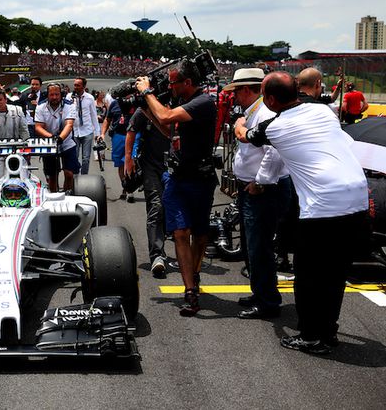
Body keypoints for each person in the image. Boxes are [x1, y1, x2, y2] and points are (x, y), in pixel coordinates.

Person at [235, 71, 369, 354]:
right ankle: (328, 330)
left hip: (324, 205)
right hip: (357, 197)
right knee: (335, 273)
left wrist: (239, 124)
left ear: (270, 99)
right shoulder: (323, 111)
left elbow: (246, 137)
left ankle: (310, 336)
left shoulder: (275, 128)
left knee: (308, 275)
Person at [137, 60, 218, 317]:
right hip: (178, 178)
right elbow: (167, 127)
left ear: (188, 83)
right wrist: (146, 109)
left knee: (200, 234)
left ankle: (193, 274)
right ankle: (190, 289)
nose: (170, 86)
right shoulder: (186, 104)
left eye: (173, 82)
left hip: (201, 179)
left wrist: (147, 93)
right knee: (180, 232)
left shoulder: (203, 103)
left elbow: (166, 116)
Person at [223, 68, 291, 319]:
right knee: (252, 246)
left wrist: (261, 182)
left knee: (258, 246)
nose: (234, 97)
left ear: (245, 90)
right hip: (252, 186)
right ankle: (260, 292)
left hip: (262, 189)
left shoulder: (264, 113)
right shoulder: (255, 111)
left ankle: (268, 301)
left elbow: (273, 152)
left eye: (236, 92)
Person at [125, 103, 170, 278]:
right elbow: (131, 129)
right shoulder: (145, 107)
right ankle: (157, 255)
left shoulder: (181, 103)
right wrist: (128, 158)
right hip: (150, 165)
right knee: (156, 206)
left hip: (174, 164)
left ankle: (163, 242)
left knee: (167, 206)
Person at [34, 83, 80, 192]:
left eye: (57, 94)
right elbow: (38, 127)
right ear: (47, 95)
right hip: (49, 143)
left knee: (69, 173)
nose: (54, 97)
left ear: (61, 95)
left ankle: (67, 194)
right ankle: (53, 196)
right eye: (51, 95)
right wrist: (52, 137)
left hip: (66, 142)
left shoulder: (70, 105)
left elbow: (69, 124)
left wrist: (60, 138)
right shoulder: (41, 107)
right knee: (52, 175)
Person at [0, 87, 30, 180]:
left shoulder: (17, 110)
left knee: (22, 177)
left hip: (17, 149)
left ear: (5, 99)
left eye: (0, 99)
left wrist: (27, 146)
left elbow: (24, 130)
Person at [99, 87, 136, 202]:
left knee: (130, 160)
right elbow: (107, 119)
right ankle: (125, 187)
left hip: (135, 134)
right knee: (120, 163)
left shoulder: (137, 102)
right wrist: (102, 134)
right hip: (118, 136)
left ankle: (131, 189)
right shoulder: (114, 104)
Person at [70, 77, 100, 175]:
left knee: (86, 158)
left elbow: (94, 116)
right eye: (75, 85)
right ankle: (74, 178)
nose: (75, 87)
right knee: (74, 157)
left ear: (84, 86)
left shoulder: (90, 98)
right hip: (74, 131)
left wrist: (97, 133)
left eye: (78, 85)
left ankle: (84, 178)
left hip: (87, 131)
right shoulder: (69, 97)